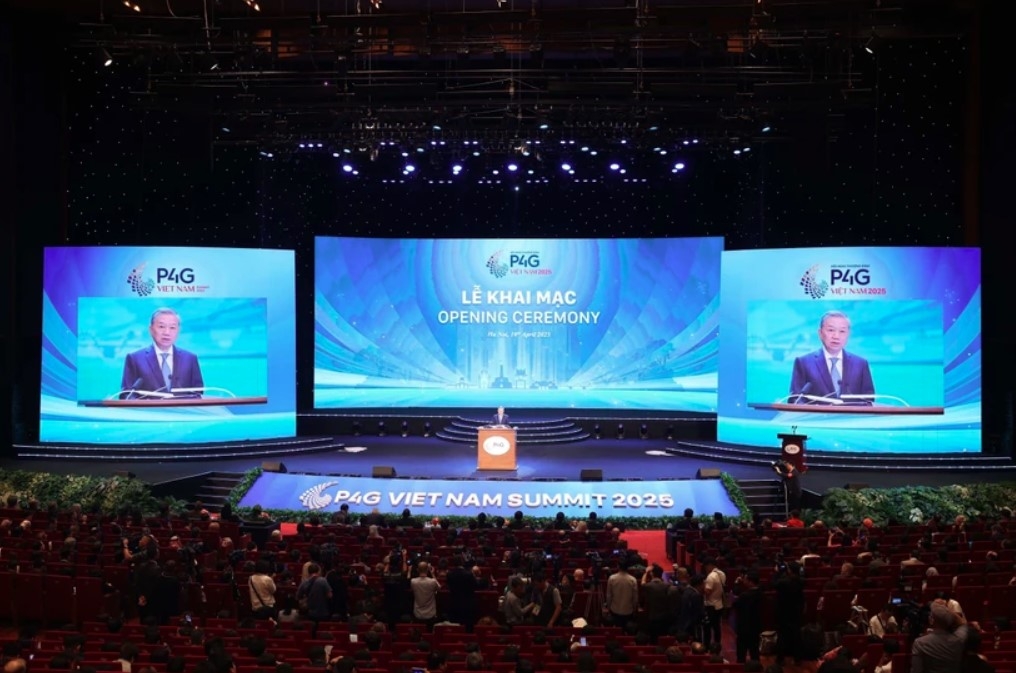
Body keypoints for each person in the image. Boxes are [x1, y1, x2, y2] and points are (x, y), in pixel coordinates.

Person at [789, 310, 874, 404]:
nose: (836, 336)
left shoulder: (860, 364)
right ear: (820, 333)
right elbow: (795, 400)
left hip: (851, 418)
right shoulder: (803, 363)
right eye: (831, 330)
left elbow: (869, 400)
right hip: (816, 418)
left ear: (848, 334)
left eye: (842, 331)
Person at [121, 308, 204, 397]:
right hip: (148, 411)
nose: (167, 332)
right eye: (161, 327)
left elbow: (197, 392)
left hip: (182, 411)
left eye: (172, 327)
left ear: (178, 331)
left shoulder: (190, 359)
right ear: (151, 329)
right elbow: (127, 395)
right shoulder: (135, 359)